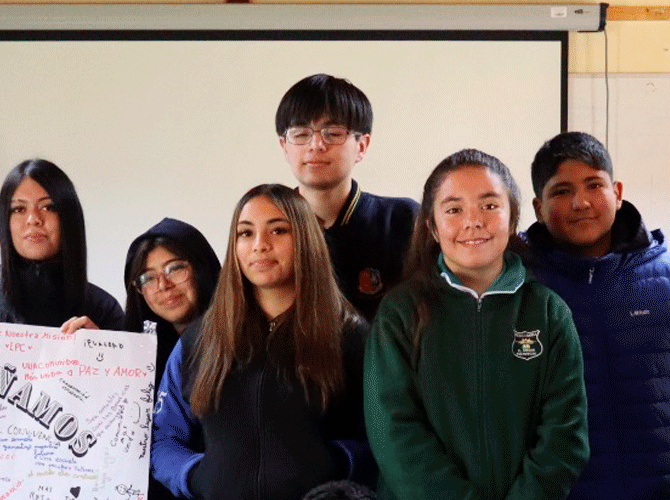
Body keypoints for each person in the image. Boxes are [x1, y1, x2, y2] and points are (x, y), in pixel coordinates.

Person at [364, 149, 588, 500]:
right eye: (454, 209)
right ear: (432, 227)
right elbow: (392, 431)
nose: (473, 221)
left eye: (490, 205)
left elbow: (564, 436)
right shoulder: (400, 313)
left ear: (512, 219)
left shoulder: (548, 313)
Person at [150, 184, 374, 500]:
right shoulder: (198, 340)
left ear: (305, 238)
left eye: (278, 230)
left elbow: (382, 439)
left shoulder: (351, 335)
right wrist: (196, 477)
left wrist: (337, 463)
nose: (260, 245)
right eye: (245, 233)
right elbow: (162, 438)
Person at [520, 131, 670, 500]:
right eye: (561, 191)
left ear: (617, 193)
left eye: (594, 185)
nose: (581, 202)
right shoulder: (520, 287)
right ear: (539, 208)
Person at [275, 74, 418, 319]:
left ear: (362, 146)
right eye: (300, 134)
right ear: (284, 147)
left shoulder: (402, 220)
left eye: (332, 133)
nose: (316, 144)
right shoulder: (266, 226)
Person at [0, 159, 124, 330]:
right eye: (19, 209)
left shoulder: (103, 309)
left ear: (69, 218)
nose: (33, 219)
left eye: (48, 207)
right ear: (4, 221)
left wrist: (101, 348)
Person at [122, 218, 222, 500]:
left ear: (201, 268)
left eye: (175, 268)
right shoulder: (142, 355)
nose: (163, 285)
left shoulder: (242, 337)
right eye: (148, 278)